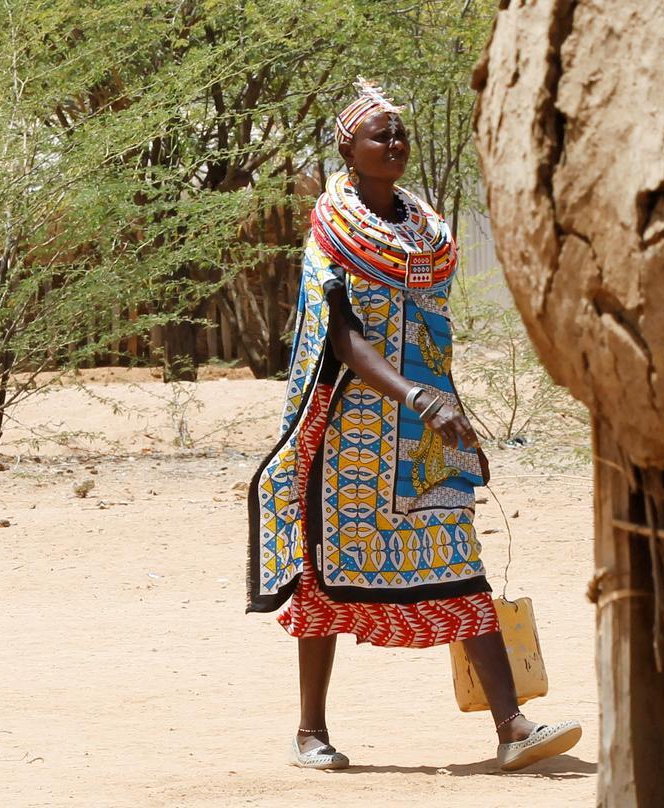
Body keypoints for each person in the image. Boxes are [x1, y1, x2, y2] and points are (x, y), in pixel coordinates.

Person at [247, 78, 581, 772]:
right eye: (380, 134)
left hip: (426, 431)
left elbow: (430, 337)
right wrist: (419, 398)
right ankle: (311, 731)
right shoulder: (331, 235)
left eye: (400, 133)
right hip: (350, 433)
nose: (394, 144)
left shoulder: (425, 232)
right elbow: (344, 341)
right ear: (348, 147)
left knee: (459, 556)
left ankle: (512, 725)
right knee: (326, 571)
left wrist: (438, 406)